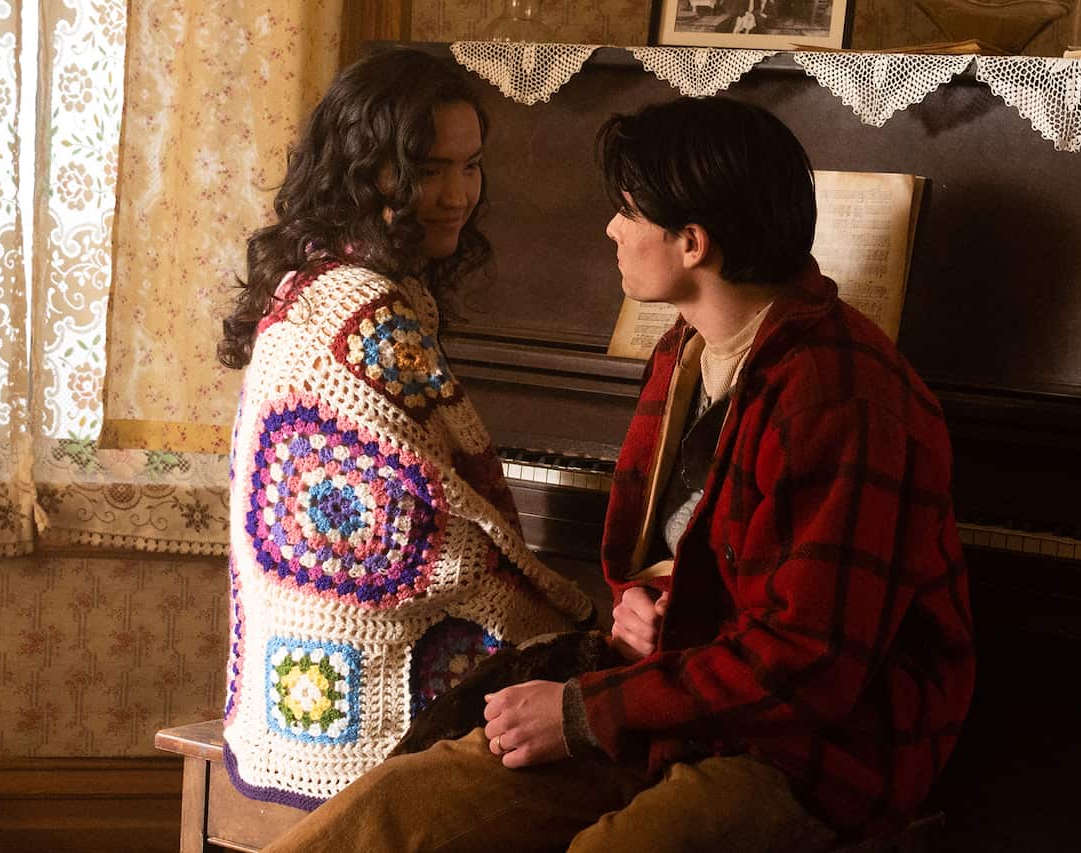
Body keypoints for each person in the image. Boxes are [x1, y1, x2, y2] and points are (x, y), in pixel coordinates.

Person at [262, 96, 975, 851]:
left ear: (692, 242)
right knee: (391, 810)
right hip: (669, 706)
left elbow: (808, 665)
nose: (611, 229)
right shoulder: (685, 348)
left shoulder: (841, 396)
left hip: (807, 752)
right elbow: (691, 551)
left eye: (628, 211)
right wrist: (644, 602)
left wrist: (581, 711)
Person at [215, 47, 592, 812]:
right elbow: (459, 535)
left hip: (279, 698)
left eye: (471, 165)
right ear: (362, 169)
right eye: (425, 169)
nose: (457, 194)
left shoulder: (314, 279)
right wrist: (578, 620)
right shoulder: (370, 314)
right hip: (367, 719)